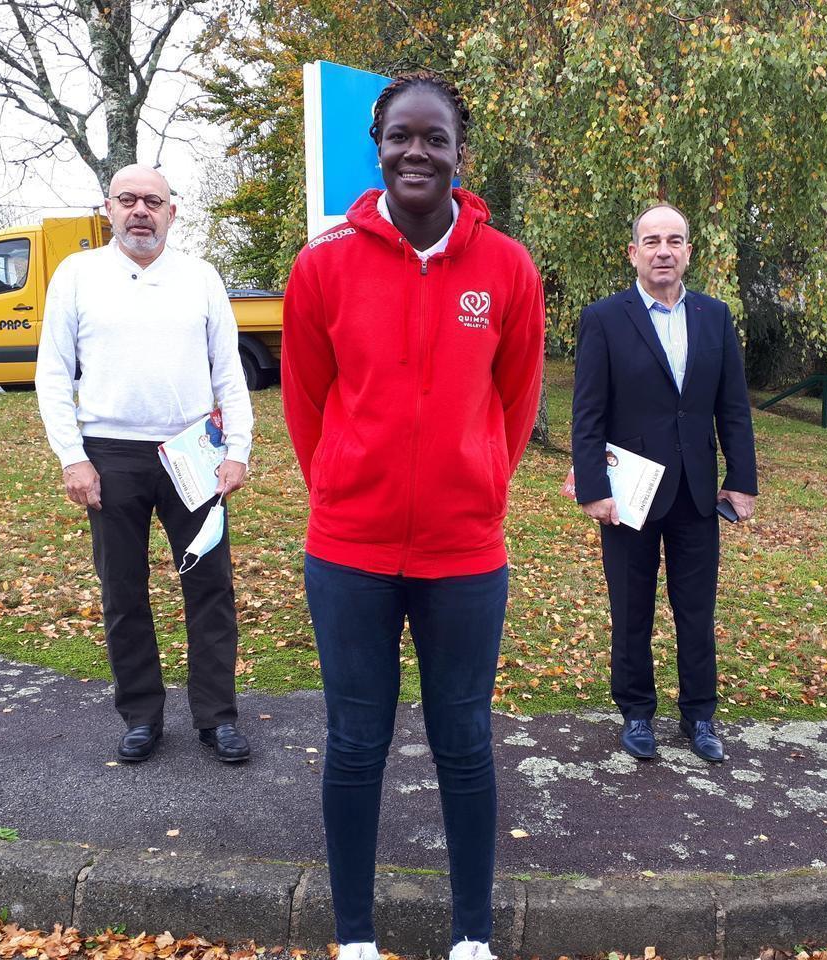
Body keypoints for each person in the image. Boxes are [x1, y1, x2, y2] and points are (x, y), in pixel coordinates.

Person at [281, 72, 544, 960]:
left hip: (465, 554)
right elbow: (308, 403)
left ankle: (472, 935)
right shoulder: (322, 267)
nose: (417, 152)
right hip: (348, 552)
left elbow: (516, 401)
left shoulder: (506, 267)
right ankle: (354, 936)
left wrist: (476, 487)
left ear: (460, 153)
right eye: (401, 136)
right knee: (356, 742)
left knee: (464, 742)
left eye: (435, 138)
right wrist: (346, 487)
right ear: (379, 145)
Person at [35, 163, 253, 764]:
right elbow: (52, 374)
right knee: (123, 590)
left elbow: (228, 371)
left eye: (152, 201)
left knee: (210, 586)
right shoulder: (78, 277)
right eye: (127, 199)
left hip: (193, 452)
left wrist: (238, 450)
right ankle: (141, 715)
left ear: (171, 212)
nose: (140, 211)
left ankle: (217, 718)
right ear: (108, 208)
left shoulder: (201, 278)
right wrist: (72, 458)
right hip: (111, 454)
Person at [571, 203, 758, 764]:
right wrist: (592, 489)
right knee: (632, 607)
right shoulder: (605, 318)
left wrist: (741, 480)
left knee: (696, 610)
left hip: (698, 493)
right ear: (633, 252)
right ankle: (636, 713)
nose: (663, 251)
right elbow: (588, 413)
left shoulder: (714, 316)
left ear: (688, 252)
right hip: (629, 491)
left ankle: (700, 716)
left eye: (674, 240)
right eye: (651, 241)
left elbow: (733, 408)